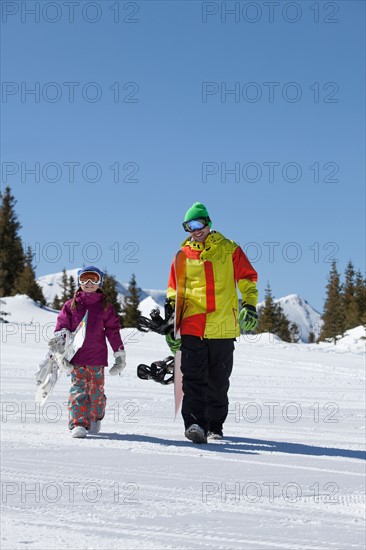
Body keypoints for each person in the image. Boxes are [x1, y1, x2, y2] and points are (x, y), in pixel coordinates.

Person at [166, 203, 258, 444]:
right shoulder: (182, 255)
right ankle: (195, 424)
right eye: (189, 226)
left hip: (223, 325)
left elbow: (247, 277)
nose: (194, 230)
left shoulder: (229, 249)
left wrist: (249, 304)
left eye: (198, 224)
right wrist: (170, 319)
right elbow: (174, 290)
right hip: (192, 326)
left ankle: (215, 425)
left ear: (208, 222)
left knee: (218, 381)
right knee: (194, 378)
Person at [50, 266, 126, 438]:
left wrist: (119, 354)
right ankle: (78, 423)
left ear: (100, 282)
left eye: (93, 279)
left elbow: (112, 330)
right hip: (76, 357)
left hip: (97, 357)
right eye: (85, 279)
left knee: (96, 392)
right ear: (79, 282)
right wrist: (61, 351)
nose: (89, 283)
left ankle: (95, 417)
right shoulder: (71, 305)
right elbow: (61, 326)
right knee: (78, 390)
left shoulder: (105, 306)